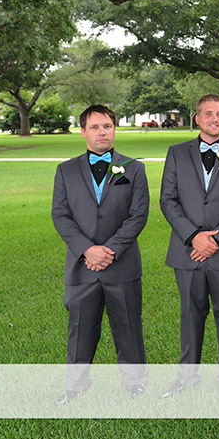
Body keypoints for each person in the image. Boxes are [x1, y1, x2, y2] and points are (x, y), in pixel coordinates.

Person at [159, 94, 219, 399]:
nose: (215, 119)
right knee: (190, 316)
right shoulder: (176, 153)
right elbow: (168, 200)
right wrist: (193, 236)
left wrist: (216, 239)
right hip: (187, 252)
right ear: (197, 118)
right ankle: (187, 378)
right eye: (209, 114)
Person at [51, 105, 149, 403]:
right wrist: (87, 250)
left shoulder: (134, 168)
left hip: (122, 265)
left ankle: (136, 385)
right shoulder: (66, 170)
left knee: (128, 327)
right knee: (80, 329)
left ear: (114, 129)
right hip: (82, 267)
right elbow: (60, 215)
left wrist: (111, 251)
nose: (102, 132)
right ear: (83, 132)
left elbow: (138, 215)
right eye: (94, 127)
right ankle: (75, 387)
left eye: (107, 126)